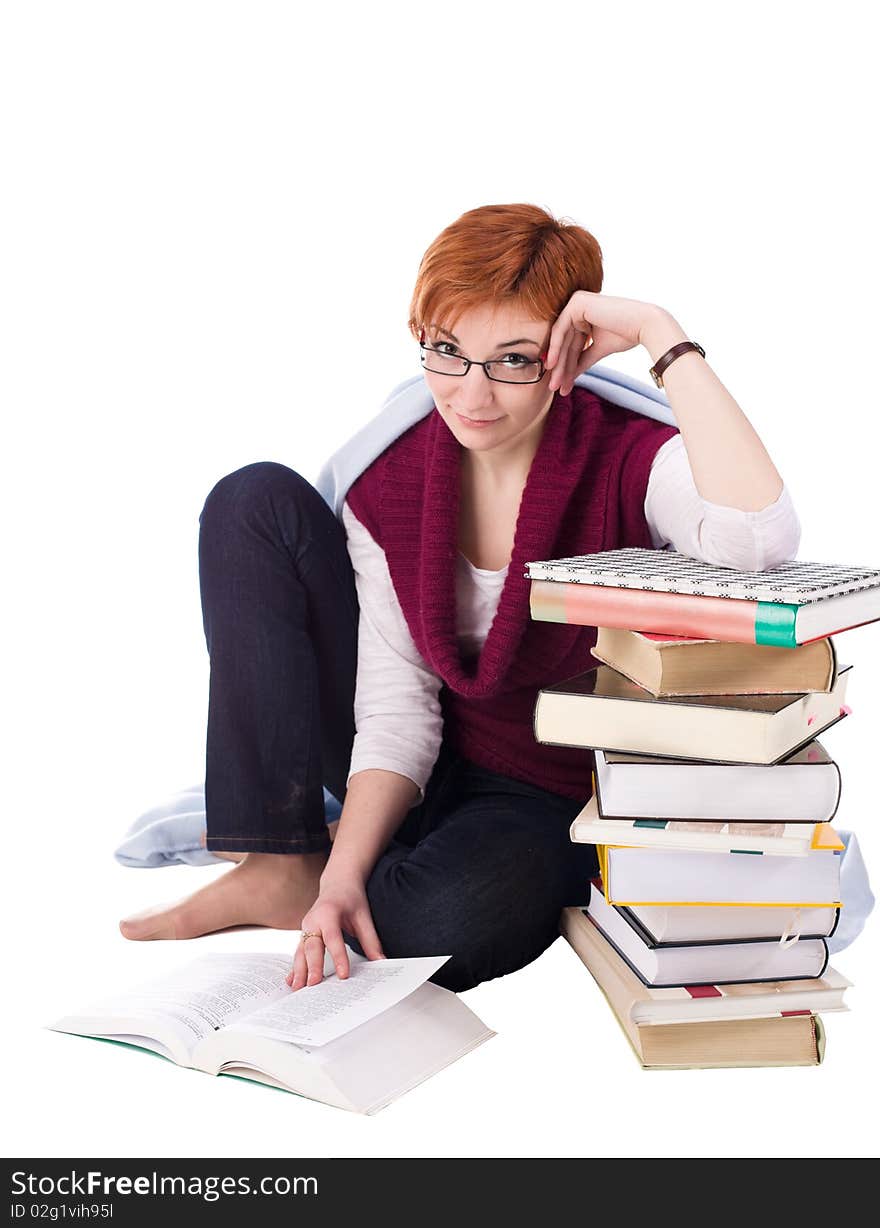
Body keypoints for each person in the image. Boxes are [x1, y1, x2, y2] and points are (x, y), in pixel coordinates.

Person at [119, 203, 800, 994]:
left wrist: (661, 332)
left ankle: (373, 861)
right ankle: (287, 862)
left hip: (544, 785)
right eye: (447, 352)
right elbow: (397, 706)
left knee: (432, 931)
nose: (471, 394)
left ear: (567, 352)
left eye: (513, 359)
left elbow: (757, 541)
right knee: (256, 502)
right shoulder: (395, 473)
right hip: (418, 752)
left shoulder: (629, 459)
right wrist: (342, 880)